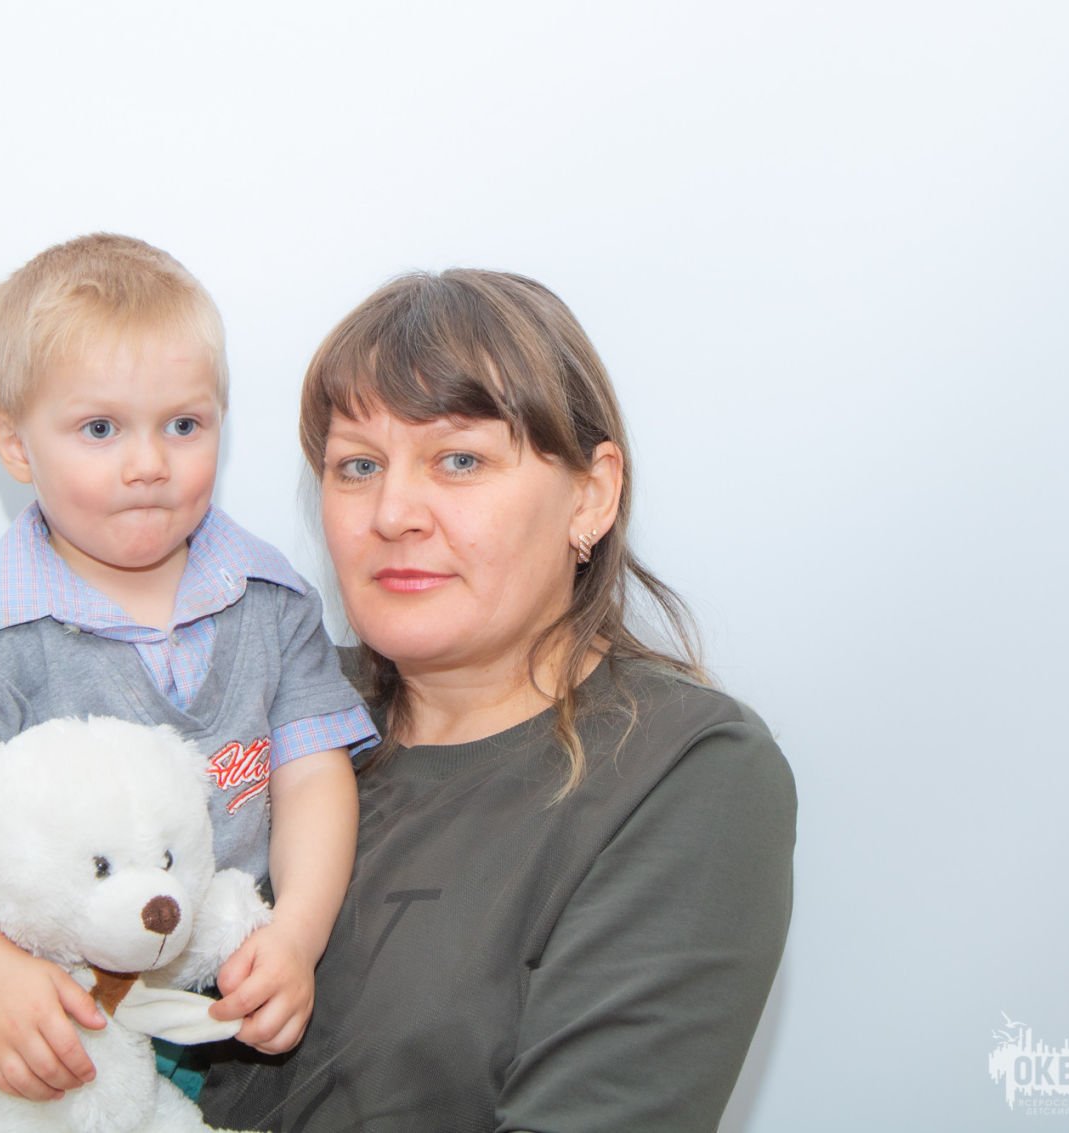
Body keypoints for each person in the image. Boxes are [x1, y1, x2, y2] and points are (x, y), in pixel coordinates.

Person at [199, 269, 797, 1132]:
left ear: (591, 493)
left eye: (460, 460)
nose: (393, 512)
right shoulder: (267, 704)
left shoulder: (686, 772)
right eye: (357, 465)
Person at [0, 234, 377, 1103]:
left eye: (184, 425)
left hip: (214, 985)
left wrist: (296, 932)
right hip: (45, 1002)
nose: (148, 464)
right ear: (16, 444)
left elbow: (313, 776)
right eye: (100, 429)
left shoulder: (272, 603)